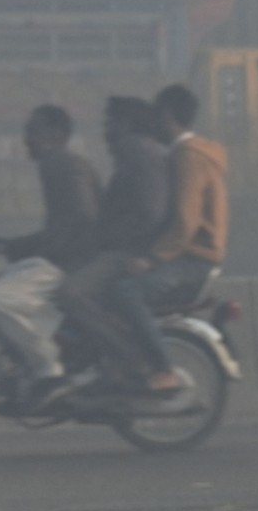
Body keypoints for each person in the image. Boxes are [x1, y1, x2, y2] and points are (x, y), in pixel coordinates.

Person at [73, 84, 229, 394]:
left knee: (127, 291)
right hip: (192, 254)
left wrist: (152, 258)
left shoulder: (188, 157)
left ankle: (163, 367)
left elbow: (186, 222)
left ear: (168, 115)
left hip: (192, 258)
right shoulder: (196, 153)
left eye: (156, 116)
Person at [0, 104, 102, 408]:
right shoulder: (61, 164)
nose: (27, 139)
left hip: (70, 265)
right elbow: (59, 228)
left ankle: (48, 370)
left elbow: (81, 218)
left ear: (57, 135)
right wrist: (5, 246)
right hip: (61, 259)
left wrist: (46, 250)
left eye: (33, 132)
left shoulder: (61, 164)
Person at [56, 96, 174, 388]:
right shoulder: (132, 154)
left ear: (127, 124)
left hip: (127, 253)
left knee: (71, 293)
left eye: (111, 122)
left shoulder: (140, 153)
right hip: (120, 249)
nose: (106, 129)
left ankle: (129, 356)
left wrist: (115, 242)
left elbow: (150, 212)